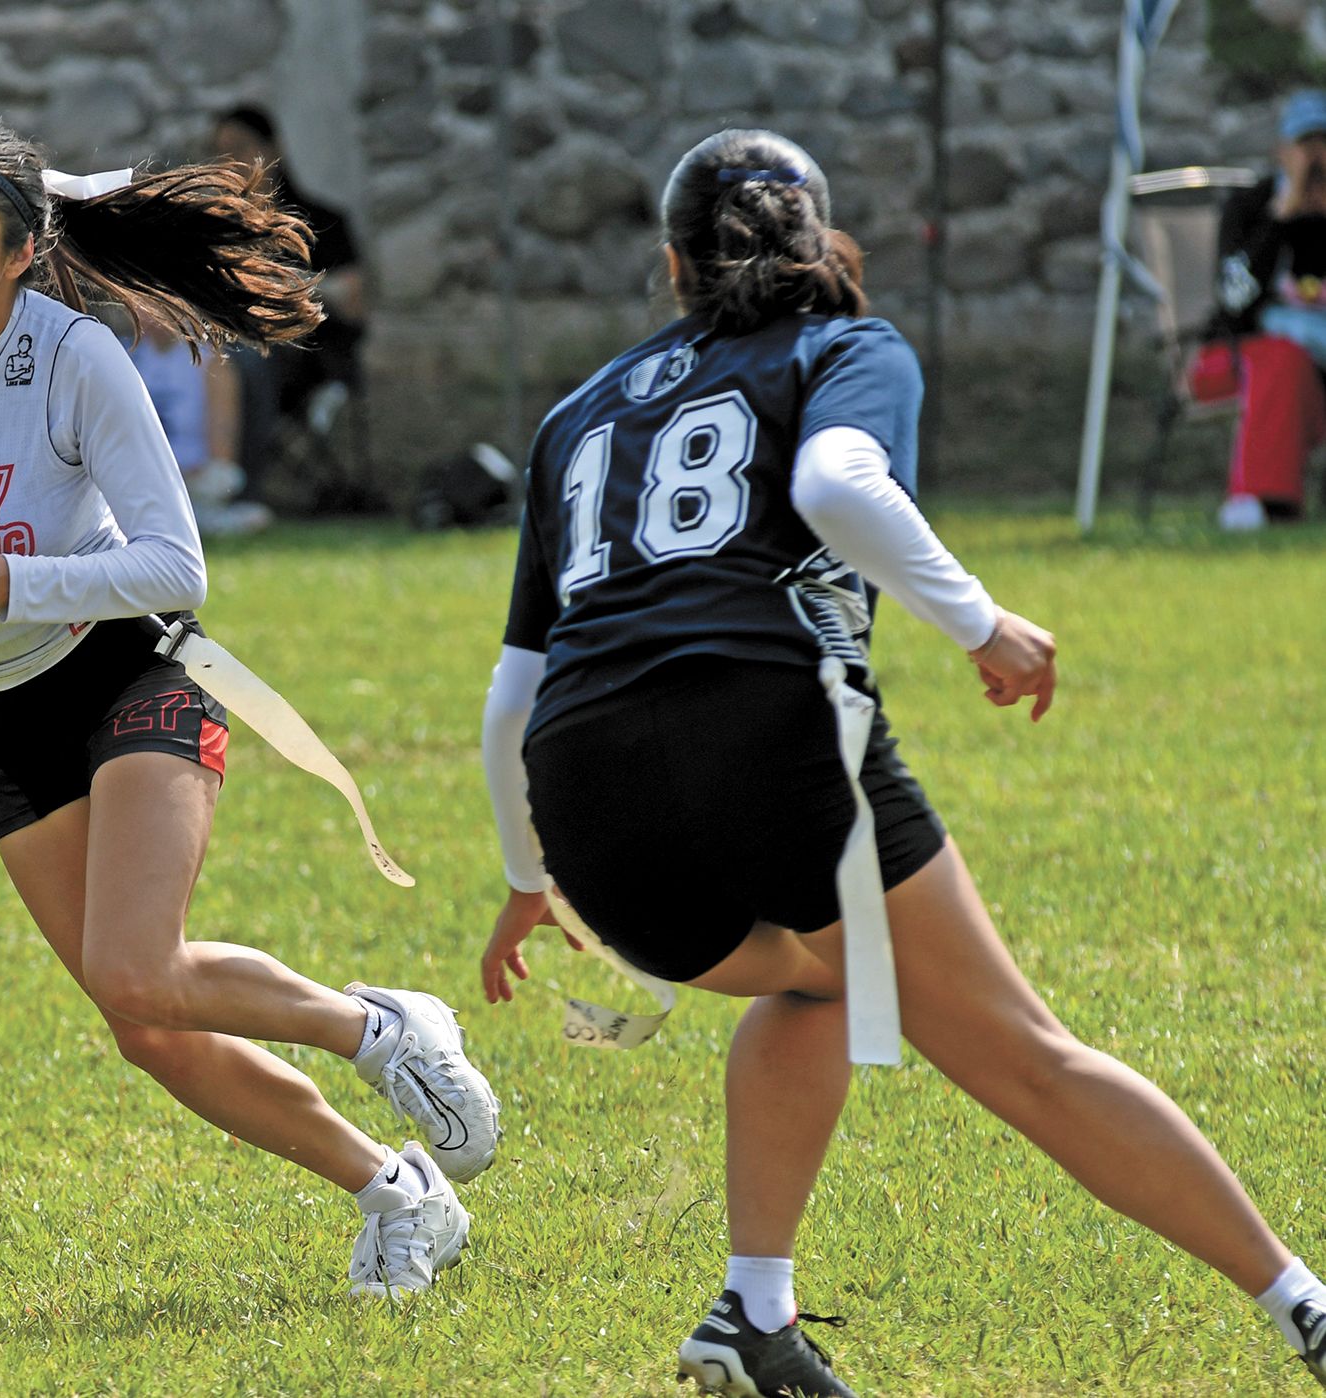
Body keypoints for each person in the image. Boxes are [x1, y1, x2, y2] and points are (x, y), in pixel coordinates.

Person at [478, 128, 1326, 1395]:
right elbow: (836, 483)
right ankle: (1305, 1305)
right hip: (765, 736)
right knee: (1028, 1057)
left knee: (820, 983)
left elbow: (511, 696)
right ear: (821, 240)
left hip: (586, 799)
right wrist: (983, 625)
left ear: (672, 264)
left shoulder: (573, 413)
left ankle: (752, 1311)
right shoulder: (844, 345)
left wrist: (523, 878)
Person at [0, 114, 502, 1299]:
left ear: (19, 253)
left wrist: (3, 582)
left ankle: (381, 1029)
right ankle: (396, 1195)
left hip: (124, 670)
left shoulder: (71, 357)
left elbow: (173, 566)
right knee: (142, 1023)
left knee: (139, 969)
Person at [210, 104, 370, 513]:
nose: (231, 162)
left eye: (240, 148)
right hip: (229, 344)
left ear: (272, 149)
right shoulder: (218, 229)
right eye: (221, 152)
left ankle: (238, 493)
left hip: (307, 355)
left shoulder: (321, 221)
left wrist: (280, 286)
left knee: (240, 360)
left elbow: (353, 301)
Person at [1203, 87, 1326, 529]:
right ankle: (1265, 501)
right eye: (1305, 147)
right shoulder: (1251, 207)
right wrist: (1280, 218)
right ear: (1282, 153)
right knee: (1284, 359)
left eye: (1324, 146)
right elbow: (1233, 299)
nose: (1315, 160)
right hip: (1238, 354)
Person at [125, 320, 269, 536]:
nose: (150, 317)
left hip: (193, 476)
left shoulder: (213, 362)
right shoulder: (125, 356)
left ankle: (182, 517)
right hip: (142, 473)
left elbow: (223, 449)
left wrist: (184, 474)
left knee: (224, 478)